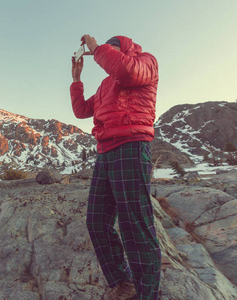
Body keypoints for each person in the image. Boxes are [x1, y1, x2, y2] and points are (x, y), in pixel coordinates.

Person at [70, 34, 161, 300]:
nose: (107, 51)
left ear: (123, 48)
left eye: (113, 48)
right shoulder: (107, 84)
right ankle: (123, 282)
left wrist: (98, 49)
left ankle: (148, 295)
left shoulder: (146, 63)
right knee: (97, 222)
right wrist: (77, 80)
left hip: (132, 145)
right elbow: (82, 111)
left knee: (135, 226)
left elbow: (126, 71)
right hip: (106, 152)